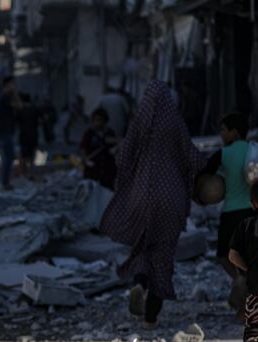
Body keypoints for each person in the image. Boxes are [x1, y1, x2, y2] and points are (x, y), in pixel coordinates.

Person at [100, 80, 206, 326]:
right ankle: (151, 316)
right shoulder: (175, 124)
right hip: (171, 199)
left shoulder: (139, 124)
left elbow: (123, 158)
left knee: (142, 249)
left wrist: (127, 183)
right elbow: (193, 158)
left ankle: (139, 283)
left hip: (141, 198)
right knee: (162, 255)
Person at [214, 112, 251, 309]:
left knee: (223, 254)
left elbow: (204, 173)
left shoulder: (224, 154)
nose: (221, 134)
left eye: (223, 130)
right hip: (251, 213)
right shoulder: (253, 150)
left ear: (234, 132)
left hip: (231, 212)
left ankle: (237, 279)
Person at [228, 181, 258, 342]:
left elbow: (232, 255)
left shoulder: (246, 225)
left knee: (253, 334)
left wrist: (249, 268)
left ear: (253, 203)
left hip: (256, 289)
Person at [79, 108, 118, 190]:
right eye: (95, 120)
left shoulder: (110, 132)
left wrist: (114, 149)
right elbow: (83, 147)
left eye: (100, 120)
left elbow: (115, 146)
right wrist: (85, 159)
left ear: (105, 121)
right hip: (92, 169)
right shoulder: (89, 133)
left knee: (107, 190)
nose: (97, 122)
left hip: (107, 169)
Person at [0, 76, 21, 190]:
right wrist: (15, 94)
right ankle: (5, 182)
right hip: (5, 131)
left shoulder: (5, 96)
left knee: (8, 157)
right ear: (8, 85)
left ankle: (5, 182)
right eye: (12, 84)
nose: (14, 86)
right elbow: (19, 106)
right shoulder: (6, 97)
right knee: (8, 157)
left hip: (6, 130)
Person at [17, 93, 41, 180]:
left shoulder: (21, 110)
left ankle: (22, 174)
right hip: (34, 134)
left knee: (22, 155)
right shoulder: (35, 109)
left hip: (24, 135)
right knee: (31, 156)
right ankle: (31, 173)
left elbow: (17, 121)